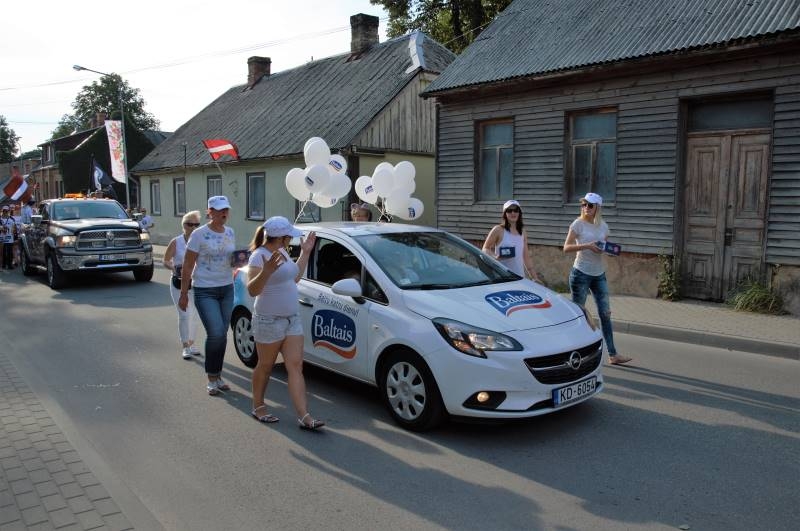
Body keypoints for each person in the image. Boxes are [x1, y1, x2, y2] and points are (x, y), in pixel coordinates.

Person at [246, 216, 324, 430]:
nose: (292, 238)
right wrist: (266, 271)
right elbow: (253, 290)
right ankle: (258, 406)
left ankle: (304, 416)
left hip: (292, 319)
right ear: (281, 237)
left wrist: (306, 252)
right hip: (269, 320)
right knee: (265, 366)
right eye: (289, 235)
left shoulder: (282, 253)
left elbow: (295, 277)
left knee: (296, 365)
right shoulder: (259, 256)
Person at [563, 192, 632, 366]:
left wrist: (609, 251)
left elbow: (603, 248)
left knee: (605, 314)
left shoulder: (604, 227)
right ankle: (573, 353)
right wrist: (587, 246)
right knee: (579, 315)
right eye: (584, 204)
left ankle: (613, 354)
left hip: (598, 274)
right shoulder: (577, 224)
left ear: (597, 208)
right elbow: (566, 247)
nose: (586, 208)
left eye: (590, 205)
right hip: (580, 274)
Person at [179, 196, 236, 395]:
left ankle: (218, 375)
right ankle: (211, 378)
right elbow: (187, 264)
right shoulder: (199, 234)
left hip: (227, 287)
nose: (223, 214)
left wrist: (238, 261)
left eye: (226, 210)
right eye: (219, 210)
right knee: (216, 333)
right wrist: (184, 293)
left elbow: (229, 259)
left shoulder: (230, 232)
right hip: (205, 289)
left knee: (222, 334)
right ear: (209, 211)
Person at [163, 211, 202, 360]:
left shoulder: (201, 241)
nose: (192, 227)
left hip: (196, 282)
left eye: (196, 224)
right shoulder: (176, 241)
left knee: (194, 316)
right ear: (183, 225)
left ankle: (192, 343)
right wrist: (174, 268)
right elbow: (166, 260)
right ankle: (185, 346)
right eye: (189, 224)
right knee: (184, 315)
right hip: (178, 283)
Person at [482, 199, 541, 282]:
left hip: (519, 278)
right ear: (505, 214)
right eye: (509, 211)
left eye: (516, 210)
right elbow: (485, 249)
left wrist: (535, 278)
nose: (513, 213)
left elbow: (526, 257)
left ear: (519, 213)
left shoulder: (522, 231)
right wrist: (496, 257)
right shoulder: (498, 229)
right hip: (501, 278)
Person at [0, 206, 17, 270]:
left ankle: (10, 264)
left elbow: (15, 229)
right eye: (4, 211)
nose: (5, 212)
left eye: (6, 211)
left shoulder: (12, 219)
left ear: (8, 211)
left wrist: (15, 237)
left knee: (10, 251)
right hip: (1, 237)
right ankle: (3, 264)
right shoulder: (0, 219)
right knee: (3, 251)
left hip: (9, 237)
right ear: (2, 211)